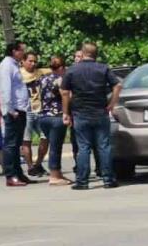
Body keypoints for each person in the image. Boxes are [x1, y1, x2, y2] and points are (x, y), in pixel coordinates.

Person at [61, 42, 122, 190]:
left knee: (83, 147)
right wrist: (112, 103)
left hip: (80, 113)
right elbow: (118, 85)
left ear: (83, 53)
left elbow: (64, 92)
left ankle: (82, 181)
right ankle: (108, 179)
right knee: (104, 146)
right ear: (96, 54)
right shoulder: (103, 68)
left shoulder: (72, 70)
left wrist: (65, 113)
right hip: (100, 111)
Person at [0, 40, 33, 187]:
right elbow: (5, 89)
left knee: (17, 143)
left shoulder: (14, 65)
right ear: (14, 51)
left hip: (20, 109)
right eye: (21, 50)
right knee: (10, 144)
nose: (23, 53)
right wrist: (10, 110)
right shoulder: (6, 66)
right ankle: (10, 175)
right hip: (13, 111)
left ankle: (18, 173)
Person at [38, 56, 70, 186]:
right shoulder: (60, 79)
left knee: (52, 144)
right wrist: (66, 112)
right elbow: (64, 95)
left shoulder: (43, 78)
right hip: (56, 116)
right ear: (62, 67)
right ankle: (54, 175)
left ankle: (58, 173)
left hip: (43, 116)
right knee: (56, 147)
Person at [21, 52, 51, 177]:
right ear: (23, 61)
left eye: (35, 61)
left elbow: (56, 69)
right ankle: (30, 166)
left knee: (45, 137)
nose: (33, 64)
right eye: (30, 61)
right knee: (26, 140)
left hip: (40, 110)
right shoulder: (18, 74)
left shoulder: (40, 72)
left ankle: (38, 163)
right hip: (26, 110)